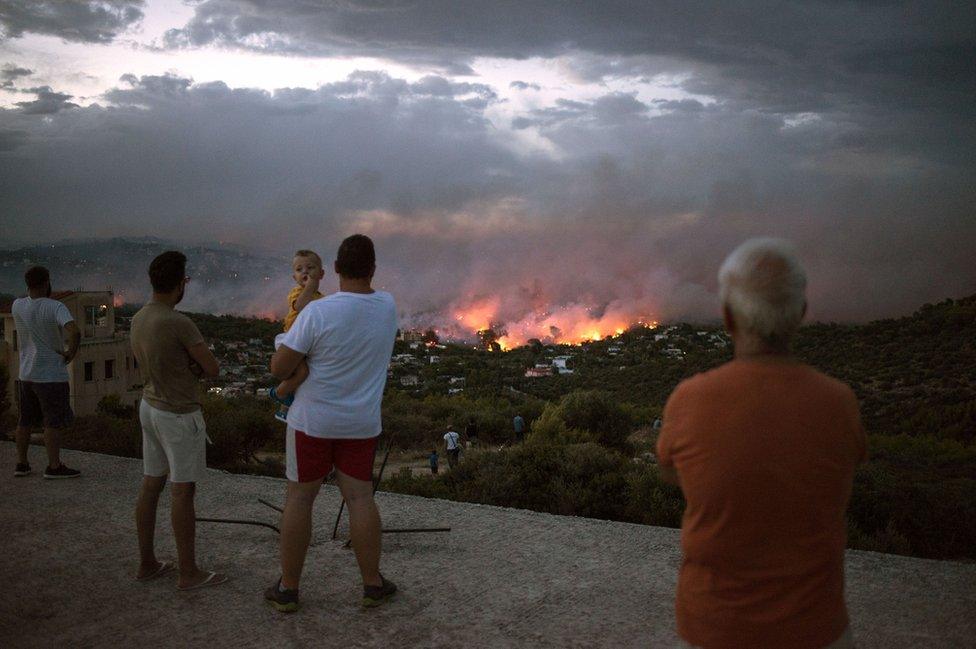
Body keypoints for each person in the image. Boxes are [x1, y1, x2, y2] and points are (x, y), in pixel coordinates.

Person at [656, 238, 866, 649]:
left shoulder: (690, 400)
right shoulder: (839, 402)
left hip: (714, 629)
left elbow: (671, 475)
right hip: (815, 629)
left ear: (728, 319)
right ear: (801, 315)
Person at [265, 234, 398, 613]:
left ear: (335, 269)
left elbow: (280, 367)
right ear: (373, 269)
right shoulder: (387, 306)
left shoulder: (317, 313)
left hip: (312, 422)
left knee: (300, 499)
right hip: (360, 423)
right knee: (360, 498)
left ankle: (288, 589)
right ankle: (372, 584)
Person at [130, 251, 227, 590]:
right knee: (183, 493)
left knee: (151, 484)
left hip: (150, 406)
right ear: (180, 283)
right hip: (178, 414)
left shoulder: (139, 317)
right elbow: (212, 368)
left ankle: (147, 563)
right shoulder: (177, 322)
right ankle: (189, 572)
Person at [11, 266, 81, 479]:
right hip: (50, 375)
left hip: (26, 373)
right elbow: (74, 330)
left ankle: (22, 464)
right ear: (46, 282)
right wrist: (71, 353)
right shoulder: (56, 307)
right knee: (52, 422)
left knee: (24, 421)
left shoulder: (17, 305)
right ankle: (54, 466)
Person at [270, 249, 326, 422]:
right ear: (294, 277)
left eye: (310, 268)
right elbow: (301, 306)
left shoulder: (322, 298)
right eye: (299, 269)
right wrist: (310, 286)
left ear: (321, 273)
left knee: (304, 377)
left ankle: (285, 409)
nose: (305, 272)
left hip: (306, 342)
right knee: (302, 373)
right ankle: (278, 393)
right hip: (291, 340)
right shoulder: (297, 293)